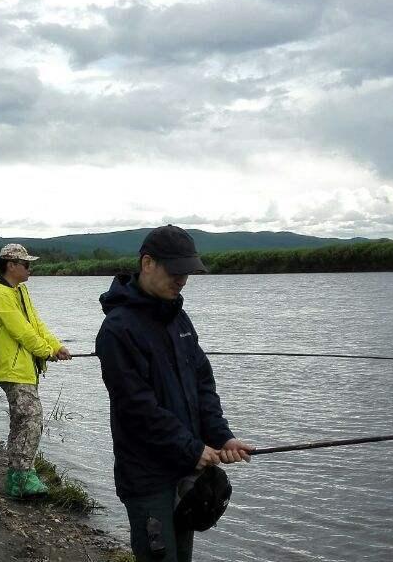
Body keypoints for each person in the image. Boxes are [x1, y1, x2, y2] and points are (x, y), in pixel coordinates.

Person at [95, 225, 253, 562]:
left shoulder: (179, 320)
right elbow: (136, 408)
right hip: (146, 477)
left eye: (188, 272)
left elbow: (203, 385)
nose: (182, 279)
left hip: (187, 470)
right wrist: (191, 448)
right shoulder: (117, 329)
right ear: (147, 263)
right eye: (176, 270)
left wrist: (222, 438)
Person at [0, 243, 71, 499]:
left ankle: (17, 475)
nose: (30, 269)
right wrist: (46, 351)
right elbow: (21, 331)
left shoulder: (20, 291)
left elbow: (36, 325)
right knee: (31, 419)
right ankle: (21, 478)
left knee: (22, 420)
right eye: (26, 264)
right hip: (12, 369)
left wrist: (56, 346)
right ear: (11, 265)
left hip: (24, 368)